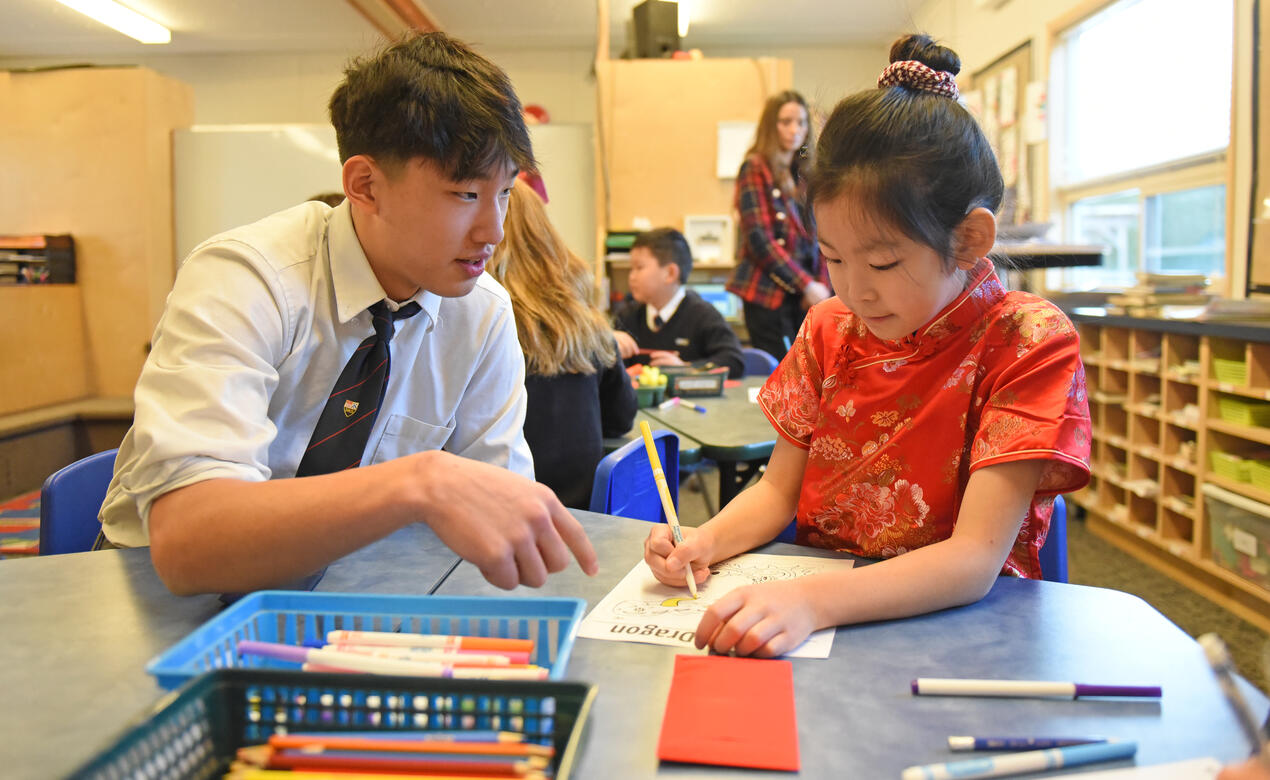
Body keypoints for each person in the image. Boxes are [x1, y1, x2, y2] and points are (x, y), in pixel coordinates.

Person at [97, 32, 598, 596]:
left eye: (504, 192)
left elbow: (497, 516)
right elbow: (189, 545)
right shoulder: (246, 277)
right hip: (163, 597)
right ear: (365, 185)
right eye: (464, 194)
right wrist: (419, 481)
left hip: (352, 584)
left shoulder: (482, 312)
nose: (494, 232)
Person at [644, 34, 1092, 657]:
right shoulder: (830, 329)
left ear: (968, 240)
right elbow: (779, 492)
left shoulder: (1027, 342)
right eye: (831, 258)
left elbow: (971, 560)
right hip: (819, 621)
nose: (853, 291)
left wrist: (807, 601)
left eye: (882, 263)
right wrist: (708, 541)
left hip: (958, 633)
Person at [487, 177, 637, 509]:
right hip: (584, 515)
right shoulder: (585, 318)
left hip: (505, 515)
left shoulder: (481, 317)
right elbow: (621, 417)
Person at [726, 90, 832, 361]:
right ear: (771, 126)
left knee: (810, 370)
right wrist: (807, 285)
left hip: (807, 295)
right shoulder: (755, 167)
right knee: (780, 373)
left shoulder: (807, 172)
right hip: (768, 295)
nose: (795, 130)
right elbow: (759, 239)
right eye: (786, 122)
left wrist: (823, 285)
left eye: (801, 122)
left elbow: (820, 235)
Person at [613, 228, 745, 379]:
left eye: (639, 268)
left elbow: (734, 362)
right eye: (631, 268)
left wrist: (686, 368)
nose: (632, 277)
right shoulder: (627, 316)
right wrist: (609, 343)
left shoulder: (703, 315)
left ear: (670, 273)